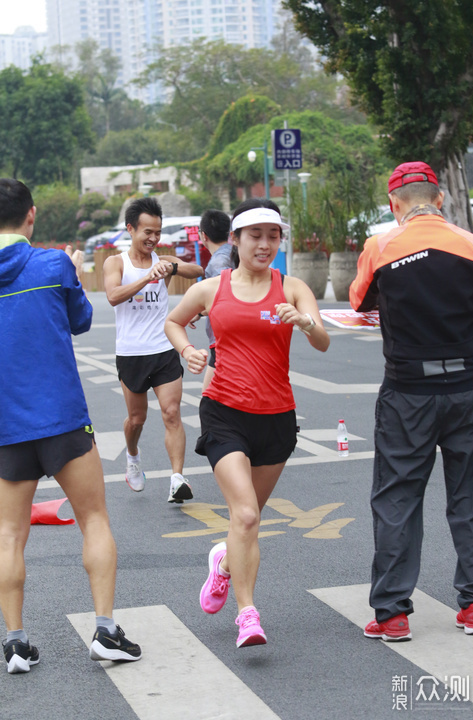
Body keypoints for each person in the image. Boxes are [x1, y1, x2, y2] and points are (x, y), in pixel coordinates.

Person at [164, 198, 330, 648]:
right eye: (254, 236)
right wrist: (188, 351)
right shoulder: (211, 289)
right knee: (247, 514)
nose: (264, 244)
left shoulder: (290, 287)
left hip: (277, 418)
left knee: (244, 524)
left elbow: (323, 342)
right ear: (234, 240)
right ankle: (247, 614)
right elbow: (174, 322)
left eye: (272, 236)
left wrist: (305, 322)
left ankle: (222, 561)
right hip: (225, 412)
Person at [0, 178, 141, 674]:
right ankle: (105, 630)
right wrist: (75, 274)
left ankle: (15, 643)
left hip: (5, 428)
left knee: (9, 535)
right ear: (31, 215)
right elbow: (80, 320)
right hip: (62, 419)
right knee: (95, 520)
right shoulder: (53, 263)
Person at [349, 161, 473, 642]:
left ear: (393, 204)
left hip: (408, 391)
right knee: (472, 495)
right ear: (440, 198)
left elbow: (360, 300)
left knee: (398, 497)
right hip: (470, 386)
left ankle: (392, 613)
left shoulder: (380, 246)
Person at [103, 197, 204, 502]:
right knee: (137, 419)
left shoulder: (164, 260)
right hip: (131, 353)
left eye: (157, 232)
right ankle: (133, 457)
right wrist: (148, 277)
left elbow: (196, 269)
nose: (153, 238)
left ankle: (177, 478)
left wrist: (172, 265)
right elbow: (113, 295)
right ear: (130, 228)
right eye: (147, 231)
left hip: (163, 349)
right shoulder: (116, 262)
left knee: (172, 413)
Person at [189, 209, 235, 390]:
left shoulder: (219, 262)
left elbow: (224, 298)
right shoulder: (235, 253)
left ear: (203, 235)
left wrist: (198, 312)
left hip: (223, 338)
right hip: (228, 337)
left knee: (210, 399)